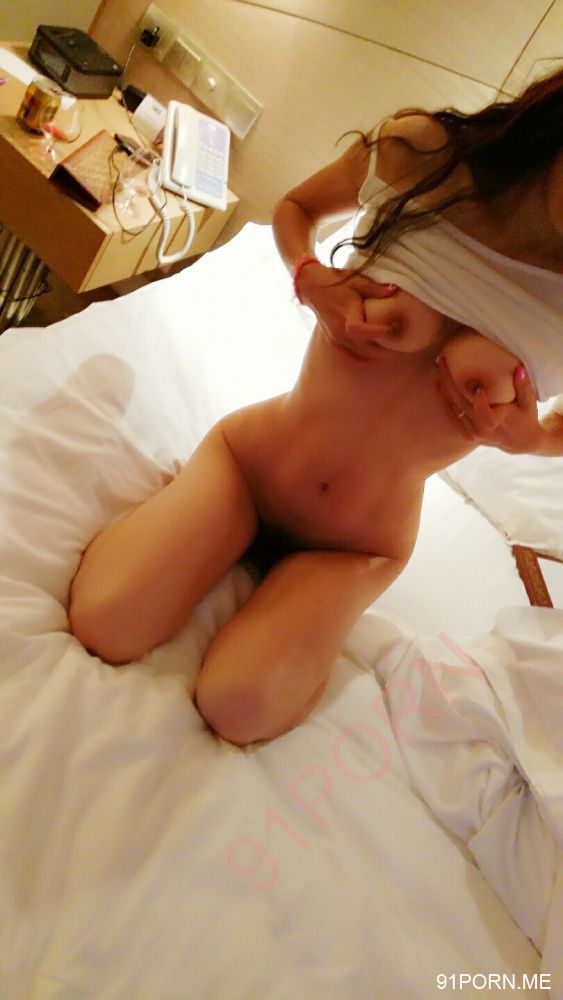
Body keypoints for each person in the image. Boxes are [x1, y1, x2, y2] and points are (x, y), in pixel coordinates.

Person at [69, 280, 520, 747]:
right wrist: (305, 268)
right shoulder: (413, 239)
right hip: (249, 467)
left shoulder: (547, 310)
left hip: (356, 547)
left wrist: (536, 440)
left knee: (239, 708)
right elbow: (303, 233)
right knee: (105, 623)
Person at [272, 65, 563, 458]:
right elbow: (296, 208)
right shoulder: (422, 156)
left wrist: (535, 441)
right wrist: (306, 275)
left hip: (384, 499)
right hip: (249, 457)